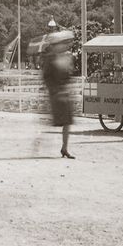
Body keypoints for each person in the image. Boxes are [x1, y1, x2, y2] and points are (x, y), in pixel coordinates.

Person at [40, 30, 75, 159]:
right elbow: (46, 77)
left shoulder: (66, 56)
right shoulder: (50, 58)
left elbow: (69, 74)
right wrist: (53, 90)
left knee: (67, 121)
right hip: (56, 93)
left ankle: (64, 148)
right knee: (56, 121)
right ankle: (41, 144)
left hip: (64, 92)